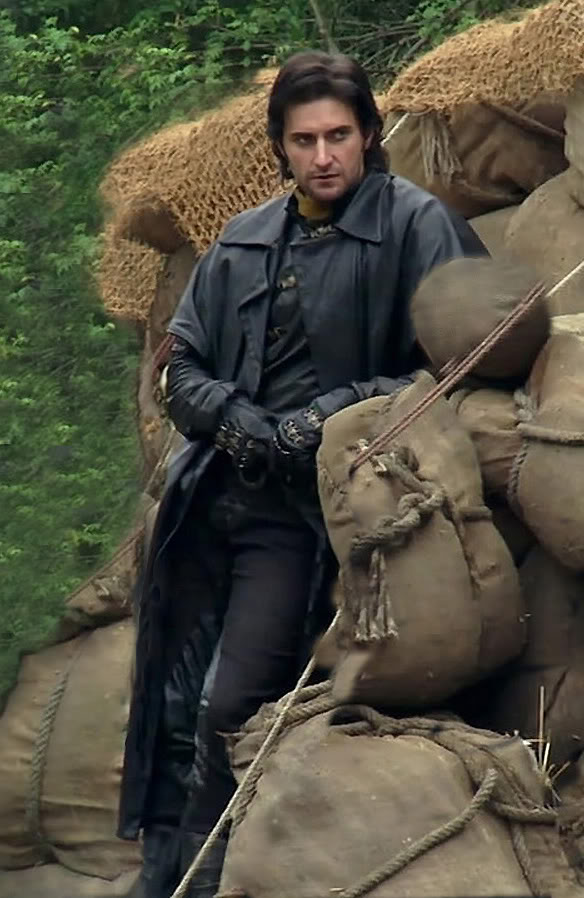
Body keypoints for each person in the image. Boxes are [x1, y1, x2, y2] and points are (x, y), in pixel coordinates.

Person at [119, 50, 487, 898]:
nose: (324, 156)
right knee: (169, 703)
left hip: (304, 513)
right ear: (279, 147)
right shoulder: (243, 238)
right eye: (304, 140)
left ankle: (203, 881)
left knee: (229, 705)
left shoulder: (415, 224)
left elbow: (454, 360)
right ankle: (158, 873)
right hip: (209, 496)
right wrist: (234, 419)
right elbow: (181, 364)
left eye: (339, 136)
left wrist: (326, 415)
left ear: (369, 134)